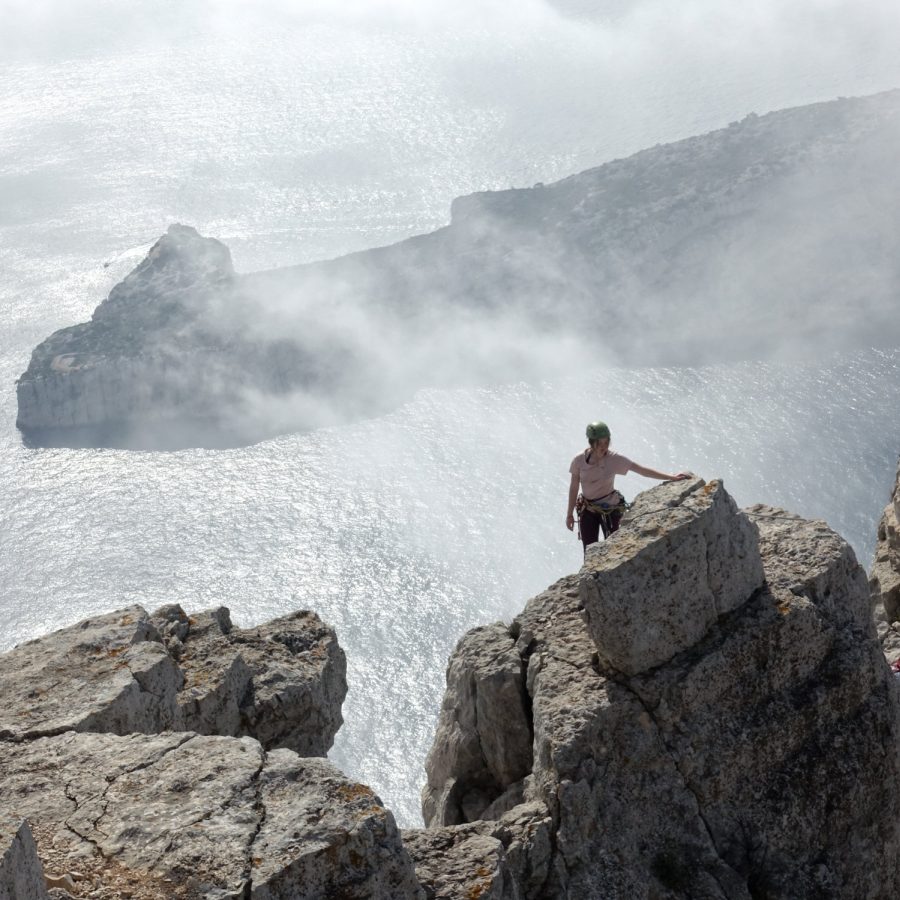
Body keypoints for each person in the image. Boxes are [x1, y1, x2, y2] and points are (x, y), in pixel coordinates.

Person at [566, 421, 690, 551]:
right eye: (600, 443)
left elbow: (642, 470)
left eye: (606, 442)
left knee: (613, 549)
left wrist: (671, 477)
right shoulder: (578, 461)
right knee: (589, 550)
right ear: (592, 442)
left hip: (611, 509)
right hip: (588, 510)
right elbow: (574, 487)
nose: (604, 447)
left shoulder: (614, 459)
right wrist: (569, 514)